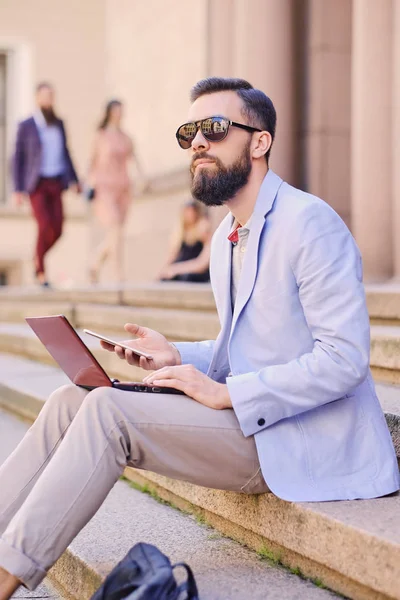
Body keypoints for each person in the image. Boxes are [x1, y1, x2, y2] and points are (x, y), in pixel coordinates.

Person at [0, 77, 399, 598]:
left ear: (260, 142)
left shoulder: (311, 224)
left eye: (214, 128)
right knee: (69, 400)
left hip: (302, 438)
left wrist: (229, 393)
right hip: (252, 420)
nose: (197, 143)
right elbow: (245, 348)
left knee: (107, 412)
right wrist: (174, 355)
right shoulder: (226, 235)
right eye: (189, 132)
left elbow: (345, 360)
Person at [12, 82, 80, 287]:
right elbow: (18, 158)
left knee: (58, 228)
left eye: (51, 96)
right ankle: (41, 270)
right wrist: (17, 189)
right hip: (37, 184)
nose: (48, 100)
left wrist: (75, 180)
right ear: (37, 98)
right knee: (44, 225)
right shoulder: (27, 125)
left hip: (56, 181)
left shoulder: (58, 123)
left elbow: (66, 153)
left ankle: (36, 258)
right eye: (45, 96)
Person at [86, 99, 144, 284]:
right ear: (110, 112)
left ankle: (95, 263)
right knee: (115, 228)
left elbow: (135, 159)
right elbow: (91, 162)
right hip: (104, 187)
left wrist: (143, 178)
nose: (120, 114)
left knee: (116, 233)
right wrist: (87, 184)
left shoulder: (126, 137)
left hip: (123, 188)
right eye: (117, 111)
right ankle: (118, 275)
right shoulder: (100, 136)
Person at [158, 199, 211, 282]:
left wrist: (176, 269)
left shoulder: (203, 229)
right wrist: (164, 271)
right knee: (164, 279)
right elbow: (171, 257)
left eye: (193, 210)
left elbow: (202, 263)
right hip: (181, 269)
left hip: (193, 272)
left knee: (186, 278)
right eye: (188, 211)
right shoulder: (180, 233)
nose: (190, 214)